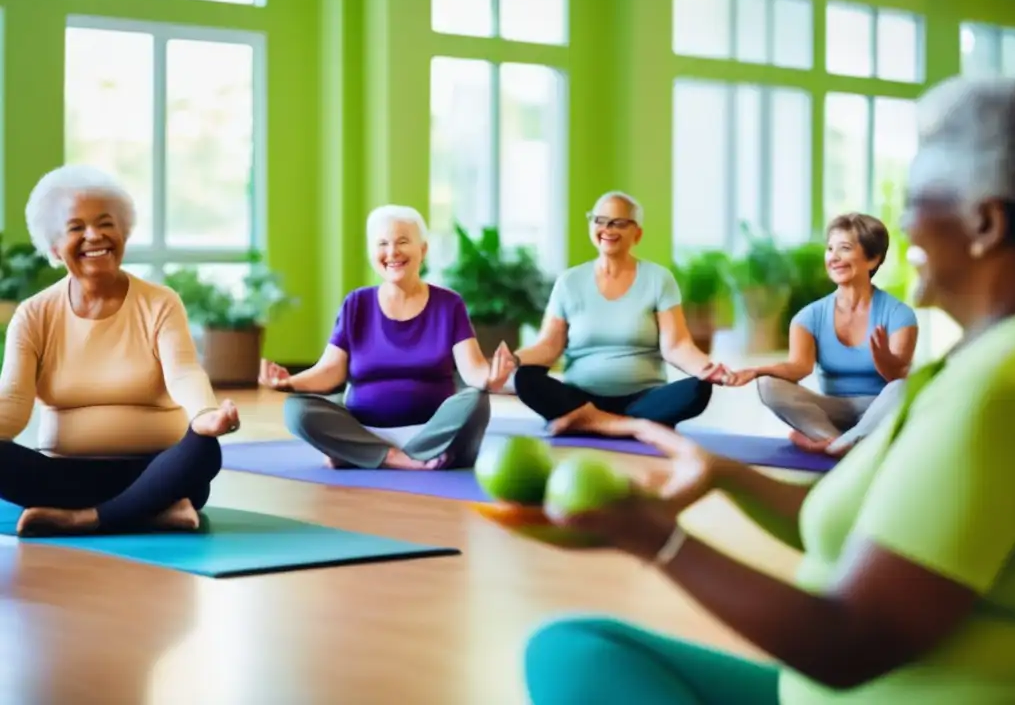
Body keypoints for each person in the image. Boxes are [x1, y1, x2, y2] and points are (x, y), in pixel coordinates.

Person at [522, 75, 1015, 703]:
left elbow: (851, 644)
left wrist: (651, 536)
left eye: (918, 198)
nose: (900, 224)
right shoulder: (981, 361)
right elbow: (867, 529)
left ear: (986, 222)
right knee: (579, 650)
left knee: (580, 661)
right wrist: (722, 471)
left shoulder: (998, 385)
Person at [0, 164, 238, 537]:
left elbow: (184, 373)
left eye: (106, 223)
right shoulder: (33, 314)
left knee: (204, 450)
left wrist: (205, 414)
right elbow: (11, 404)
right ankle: (149, 513)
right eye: (76, 227)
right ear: (53, 246)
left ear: (123, 232)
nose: (94, 236)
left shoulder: (160, 303)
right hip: (65, 477)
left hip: (155, 471)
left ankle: (87, 518)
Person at [262, 205, 516, 470]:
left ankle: (362, 455)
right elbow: (329, 372)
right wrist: (288, 382)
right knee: (297, 410)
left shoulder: (449, 304)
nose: (392, 252)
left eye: (402, 242)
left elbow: (473, 370)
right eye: (382, 243)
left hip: (432, 432)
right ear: (372, 252)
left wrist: (490, 379)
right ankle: (394, 457)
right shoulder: (356, 303)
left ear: (423, 250)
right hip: (365, 429)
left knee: (475, 401)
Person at [512, 191, 736, 440]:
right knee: (525, 378)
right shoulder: (569, 282)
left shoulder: (659, 279)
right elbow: (548, 346)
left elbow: (676, 345)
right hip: (579, 398)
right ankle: (628, 425)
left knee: (699, 388)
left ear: (637, 233)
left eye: (619, 222)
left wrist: (706, 368)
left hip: (641, 399)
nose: (607, 228)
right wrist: (511, 359)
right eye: (600, 220)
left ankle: (592, 423)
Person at [732, 214, 918, 457]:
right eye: (830, 249)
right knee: (768, 385)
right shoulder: (809, 316)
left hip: (880, 410)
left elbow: (898, 377)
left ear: (872, 259)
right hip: (832, 409)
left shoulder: (899, 314)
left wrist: (887, 363)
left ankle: (844, 444)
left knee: (903, 387)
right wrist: (758, 371)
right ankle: (838, 442)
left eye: (845, 248)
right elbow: (799, 367)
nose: (834, 257)